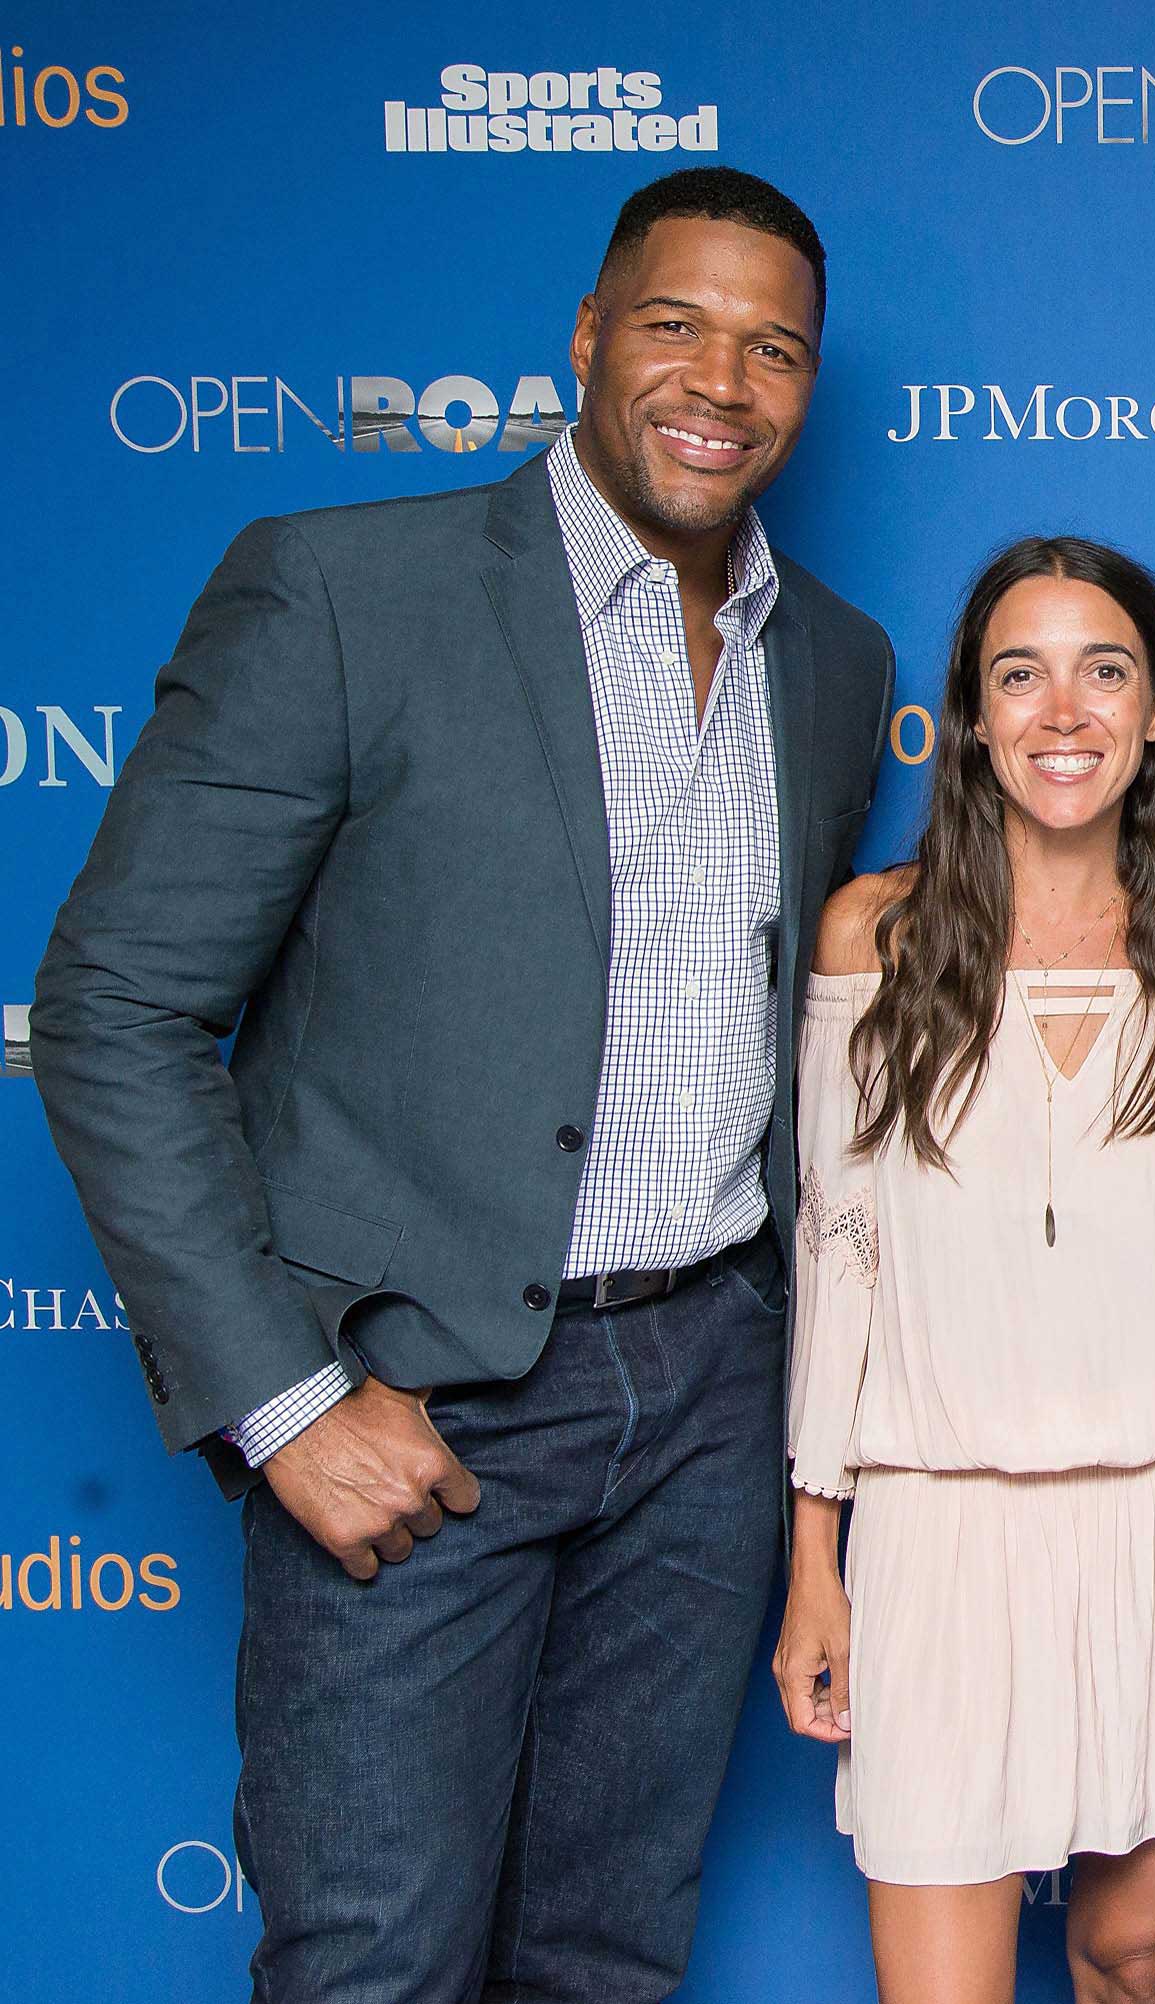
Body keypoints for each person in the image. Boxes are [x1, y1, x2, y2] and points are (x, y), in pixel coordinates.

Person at [30, 168, 892, 2000]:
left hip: (710, 1397)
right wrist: (283, 1397)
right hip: (418, 1397)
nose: (721, 380)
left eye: (774, 348)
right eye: (676, 324)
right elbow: (112, 1003)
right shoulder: (347, 591)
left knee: (604, 1959)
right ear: (588, 339)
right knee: (375, 1963)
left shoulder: (834, 662)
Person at [771, 536, 1155, 2003]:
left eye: (1105, 670)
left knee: (1135, 1956)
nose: (1062, 709)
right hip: (943, 1536)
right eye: (1021, 674)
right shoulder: (873, 940)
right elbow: (840, 1260)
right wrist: (814, 1565)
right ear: (971, 716)